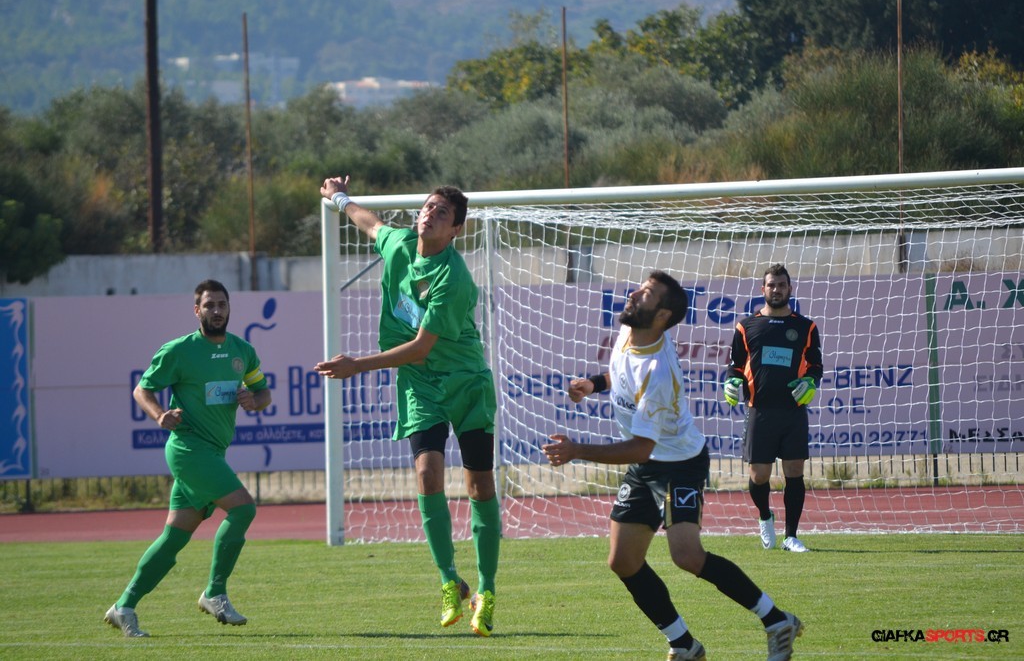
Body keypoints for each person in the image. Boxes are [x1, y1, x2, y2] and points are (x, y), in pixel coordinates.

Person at [543, 271, 803, 661]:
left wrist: (577, 449)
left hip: (680, 463)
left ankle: (776, 620)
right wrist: (595, 384)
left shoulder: (658, 372)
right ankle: (684, 644)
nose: (633, 294)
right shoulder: (632, 331)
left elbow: (640, 447)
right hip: (649, 464)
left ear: (662, 315)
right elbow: (621, 371)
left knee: (687, 556)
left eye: (646, 294)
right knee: (623, 560)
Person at [315, 176, 501, 637]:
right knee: (426, 474)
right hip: (421, 385)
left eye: (443, 212)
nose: (430, 213)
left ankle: (486, 590)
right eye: (428, 206)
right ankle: (448, 581)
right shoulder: (399, 244)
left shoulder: (453, 278)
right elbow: (369, 223)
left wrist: (357, 365)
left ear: (455, 230)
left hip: (466, 383)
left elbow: (420, 347)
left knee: (479, 486)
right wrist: (339, 198)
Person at [105, 279, 272, 638]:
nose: (216, 310)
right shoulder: (179, 351)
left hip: (213, 452)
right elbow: (142, 389)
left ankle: (124, 606)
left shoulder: (243, 351)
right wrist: (159, 416)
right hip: (188, 449)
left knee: (174, 538)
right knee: (244, 508)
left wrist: (253, 400)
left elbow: (263, 393)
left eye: (221, 304)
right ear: (197, 311)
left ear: (229, 308)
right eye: (209, 305)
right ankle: (215, 592)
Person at [723, 263, 823, 553]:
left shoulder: (806, 327)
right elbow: (735, 366)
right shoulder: (746, 326)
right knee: (759, 476)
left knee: (794, 471)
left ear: (790, 288)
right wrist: (731, 382)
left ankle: (791, 536)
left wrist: (811, 382)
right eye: (771, 285)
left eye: (781, 285)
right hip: (760, 410)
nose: (776, 289)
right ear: (762, 289)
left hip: (793, 411)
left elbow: (816, 365)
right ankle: (765, 516)